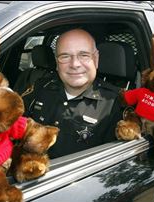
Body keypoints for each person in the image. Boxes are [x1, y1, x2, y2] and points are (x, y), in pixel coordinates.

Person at [21, 29, 122, 159]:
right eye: (65, 56)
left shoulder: (114, 103)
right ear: (57, 63)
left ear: (96, 59)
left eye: (84, 55)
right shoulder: (41, 86)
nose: (74, 64)